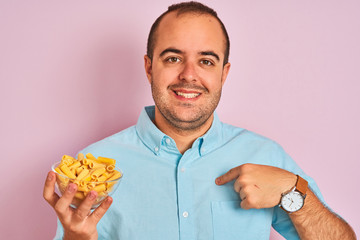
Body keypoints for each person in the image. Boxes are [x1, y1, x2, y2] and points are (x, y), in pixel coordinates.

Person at [43, 1, 356, 240]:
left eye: (206, 61)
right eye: (173, 58)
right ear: (149, 68)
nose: (188, 75)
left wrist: (293, 190)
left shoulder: (266, 156)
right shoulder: (91, 169)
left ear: (224, 73)